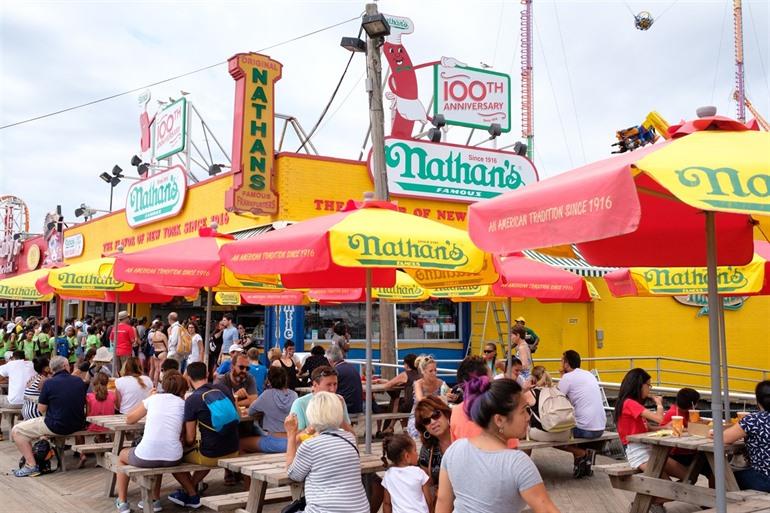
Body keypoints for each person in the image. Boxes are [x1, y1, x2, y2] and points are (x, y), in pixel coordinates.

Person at [436, 376, 559, 513]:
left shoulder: (455, 449)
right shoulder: (516, 462)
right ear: (499, 420)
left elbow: (442, 501)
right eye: (523, 410)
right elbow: (547, 509)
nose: (528, 417)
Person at [114, 371, 188, 513]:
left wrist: (148, 399)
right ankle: (155, 500)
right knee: (159, 453)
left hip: (146, 456)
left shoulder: (154, 399)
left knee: (122, 455)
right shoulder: (183, 404)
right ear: (182, 390)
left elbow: (129, 419)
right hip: (174, 457)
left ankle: (122, 501)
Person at [169, 362, 240, 508]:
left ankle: (191, 494)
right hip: (234, 450)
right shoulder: (223, 388)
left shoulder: (192, 400)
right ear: (207, 374)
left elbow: (190, 438)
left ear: (188, 378)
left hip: (211, 456)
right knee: (209, 445)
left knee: (172, 456)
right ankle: (192, 488)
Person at [284, 391, 369, 513]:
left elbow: (293, 474)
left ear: (311, 414)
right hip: (360, 509)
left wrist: (291, 434)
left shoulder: (310, 445)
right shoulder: (350, 438)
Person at [12, 356, 88, 477]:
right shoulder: (79, 381)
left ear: (52, 369)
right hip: (78, 424)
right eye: (68, 365)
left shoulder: (49, 383)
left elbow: (41, 409)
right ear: (64, 366)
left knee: (16, 431)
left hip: (57, 425)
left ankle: (31, 465)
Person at [614, 368, 687, 482]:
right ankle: (652, 499)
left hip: (650, 448)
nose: (649, 389)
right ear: (639, 385)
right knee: (665, 486)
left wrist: (664, 427)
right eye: (648, 385)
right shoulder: (629, 403)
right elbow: (659, 418)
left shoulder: (632, 403)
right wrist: (659, 404)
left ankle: (658, 498)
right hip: (638, 452)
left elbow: (647, 427)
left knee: (687, 476)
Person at [557, 350, 607, 477]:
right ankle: (581, 465)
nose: (560, 362)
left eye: (562, 360)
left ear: (567, 363)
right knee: (574, 424)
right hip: (601, 427)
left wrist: (563, 376)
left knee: (553, 435)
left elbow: (557, 398)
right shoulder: (588, 374)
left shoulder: (567, 378)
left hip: (585, 429)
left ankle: (581, 454)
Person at [718, 380, 770, 492]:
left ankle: (719, 504)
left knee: (725, 475)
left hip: (765, 480)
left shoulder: (754, 420)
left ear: (758, 401)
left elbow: (723, 438)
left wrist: (714, 432)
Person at [242, 366, 297, 454]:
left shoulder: (266, 394)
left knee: (241, 443)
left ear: (269, 380)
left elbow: (250, 411)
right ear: (285, 379)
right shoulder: (294, 395)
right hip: (291, 439)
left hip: (274, 441)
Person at [289, 365, 355, 436]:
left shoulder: (339, 401)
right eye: (328, 385)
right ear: (315, 385)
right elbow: (295, 439)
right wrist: (317, 424)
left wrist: (339, 416)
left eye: (335, 384)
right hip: (311, 446)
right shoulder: (300, 404)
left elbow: (352, 435)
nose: (333, 389)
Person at [381, 433, 431, 513]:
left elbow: (387, 503)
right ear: (407, 456)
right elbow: (428, 500)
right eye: (415, 450)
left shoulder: (388, 475)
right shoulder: (419, 473)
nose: (417, 454)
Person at [414, 397, 452, 499]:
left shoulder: (462, 437)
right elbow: (428, 485)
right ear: (424, 428)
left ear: (446, 414)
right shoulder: (427, 449)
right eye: (426, 421)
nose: (433, 422)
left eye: (436, 415)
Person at [81, 372, 117, 467]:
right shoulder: (112, 395)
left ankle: (94, 458)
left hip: (95, 425)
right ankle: (107, 454)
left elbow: (88, 414)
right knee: (106, 432)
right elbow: (117, 406)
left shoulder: (89, 396)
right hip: (109, 425)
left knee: (96, 434)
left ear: (93, 383)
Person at [528, 366, 572, 443]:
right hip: (565, 433)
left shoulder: (532, 393)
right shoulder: (557, 389)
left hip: (544, 434)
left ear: (533, 378)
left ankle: (524, 455)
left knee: (524, 429)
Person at [407, 355, 445, 439]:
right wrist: (441, 398)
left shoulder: (440, 382)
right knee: (419, 431)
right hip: (419, 416)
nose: (434, 373)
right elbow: (420, 399)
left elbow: (448, 393)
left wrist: (451, 396)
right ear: (423, 371)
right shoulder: (418, 383)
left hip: (435, 415)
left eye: (435, 370)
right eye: (431, 371)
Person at [326, 343, 363, 414]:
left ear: (330, 361)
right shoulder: (352, 368)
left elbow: (328, 391)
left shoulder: (335, 372)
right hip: (357, 407)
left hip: (346, 408)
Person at [22, 356, 50, 421]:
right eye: (50, 364)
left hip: (26, 412)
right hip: (36, 414)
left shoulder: (33, 378)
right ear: (45, 368)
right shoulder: (44, 380)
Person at [149, 320, 167, 385]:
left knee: (156, 370)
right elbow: (167, 345)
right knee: (162, 370)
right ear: (161, 327)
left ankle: (155, 386)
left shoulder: (153, 335)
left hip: (155, 352)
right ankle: (164, 386)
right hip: (162, 352)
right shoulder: (162, 335)